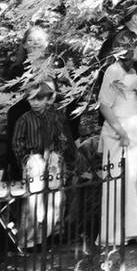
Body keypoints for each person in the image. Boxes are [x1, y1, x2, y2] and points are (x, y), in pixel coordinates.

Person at [97, 49, 137, 244]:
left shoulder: (132, 70)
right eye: (136, 46)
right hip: (121, 129)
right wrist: (121, 132)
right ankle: (119, 231)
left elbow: (129, 97)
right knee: (122, 178)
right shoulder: (113, 70)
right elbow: (104, 105)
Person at [13, 80, 74, 249]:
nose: (34, 102)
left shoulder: (53, 117)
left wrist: (57, 154)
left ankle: (48, 236)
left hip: (52, 162)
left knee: (55, 199)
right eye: (31, 99)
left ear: (47, 98)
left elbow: (62, 138)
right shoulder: (24, 120)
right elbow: (17, 143)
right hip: (35, 163)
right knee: (34, 203)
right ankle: (29, 241)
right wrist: (27, 159)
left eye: (39, 99)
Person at [4, 25, 50, 180]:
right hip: (21, 120)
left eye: (38, 39)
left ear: (46, 43)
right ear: (24, 44)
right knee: (23, 163)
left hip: (46, 119)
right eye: (30, 40)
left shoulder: (54, 67)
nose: (35, 43)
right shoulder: (17, 69)